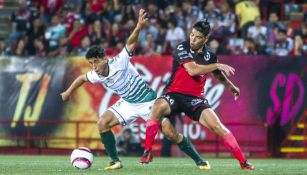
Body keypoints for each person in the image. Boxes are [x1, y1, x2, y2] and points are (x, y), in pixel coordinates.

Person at [61, 9, 209, 170]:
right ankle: (115, 161)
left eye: (96, 62)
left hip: (148, 101)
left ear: (105, 59)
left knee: (170, 133)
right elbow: (82, 78)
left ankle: (200, 160)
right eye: (91, 63)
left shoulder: (118, 62)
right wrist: (68, 92)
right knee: (103, 123)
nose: (94, 67)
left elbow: (130, 43)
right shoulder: (96, 74)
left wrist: (139, 25)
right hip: (128, 103)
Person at [139, 19, 255, 170]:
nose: (192, 39)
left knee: (218, 126)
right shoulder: (182, 46)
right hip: (174, 94)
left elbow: (217, 74)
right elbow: (193, 70)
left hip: (195, 98)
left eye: (197, 37)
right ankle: (147, 151)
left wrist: (231, 86)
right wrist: (218, 64)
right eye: (191, 35)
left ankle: (243, 162)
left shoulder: (210, 56)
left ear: (205, 39)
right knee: (159, 109)